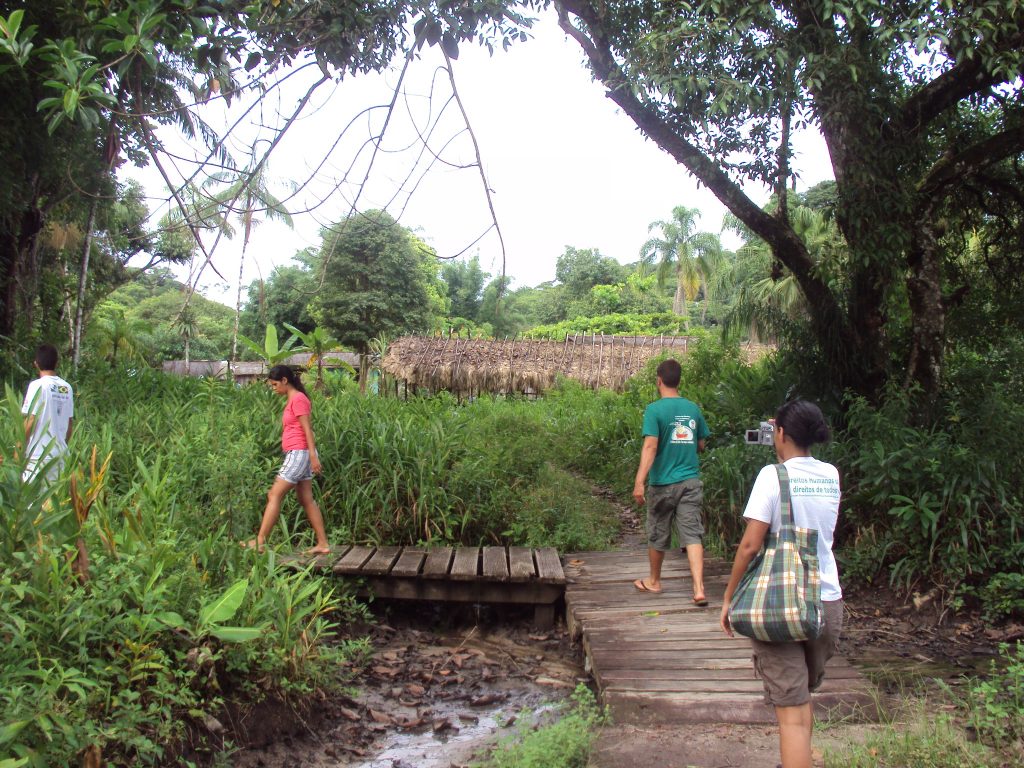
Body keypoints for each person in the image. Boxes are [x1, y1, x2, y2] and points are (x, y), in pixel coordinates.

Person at [719, 400, 842, 768]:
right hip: (826, 601)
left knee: (789, 711)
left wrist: (729, 598)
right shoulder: (831, 474)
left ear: (781, 433)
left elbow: (750, 544)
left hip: (781, 604)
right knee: (802, 698)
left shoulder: (772, 476)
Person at [632, 358, 711, 603]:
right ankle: (698, 589)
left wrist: (639, 481)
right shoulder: (692, 409)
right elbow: (701, 443)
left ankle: (654, 581)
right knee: (692, 534)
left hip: (662, 483)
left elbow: (650, 446)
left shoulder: (654, 410)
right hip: (690, 482)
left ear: (659, 380)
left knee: (658, 530)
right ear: (679, 380)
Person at [245, 364, 330, 555]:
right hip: (301, 453)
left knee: (274, 494)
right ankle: (323, 543)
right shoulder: (294, 399)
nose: (273, 388)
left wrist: (312, 456)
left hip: (300, 453)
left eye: (275, 385)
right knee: (306, 499)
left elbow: (307, 429)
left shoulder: (298, 399)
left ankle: (260, 541)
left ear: (285, 380)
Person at [21, 344, 74, 484]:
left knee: (31, 502)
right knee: (54, 502)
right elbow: (69, 425)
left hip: (37, 457)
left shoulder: (37, 386)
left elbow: (31, 420)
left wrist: (18, 450)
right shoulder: (66, 387)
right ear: (57, 363)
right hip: (60, 455)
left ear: (36, 364)